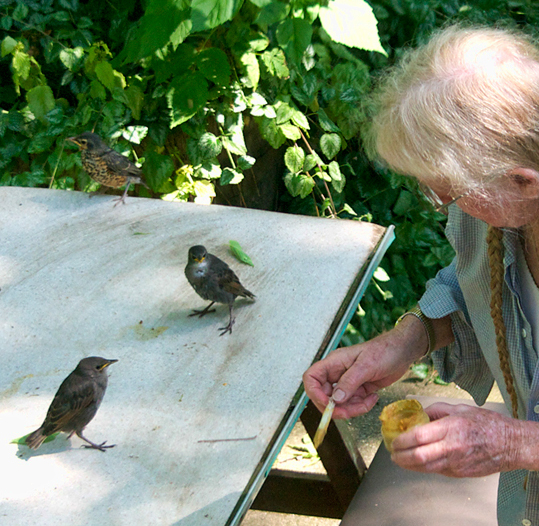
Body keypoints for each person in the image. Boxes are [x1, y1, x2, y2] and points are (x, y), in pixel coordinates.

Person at [303, 24, 539, 526]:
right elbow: (477, 280)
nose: (441, 209)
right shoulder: (494, 210)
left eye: (446, 193)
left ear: (524, 181)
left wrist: (520, 441)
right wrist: (409, 338)